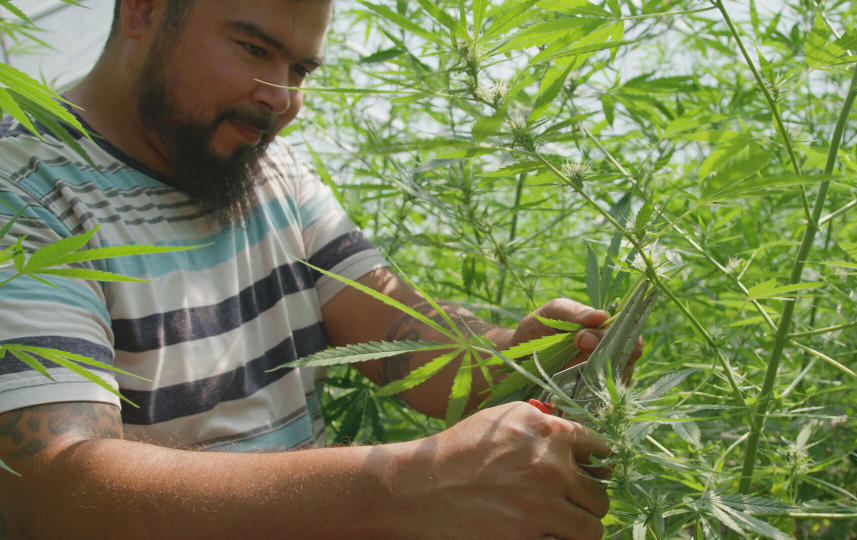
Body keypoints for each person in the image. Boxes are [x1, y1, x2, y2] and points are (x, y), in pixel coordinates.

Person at [0, 0, 642, 537]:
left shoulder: (269, 175)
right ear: (143, 9)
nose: (282, 100)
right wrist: (407, 486)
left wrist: (515, 357)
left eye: (301, 67)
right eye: (254, 50)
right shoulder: (24, 194)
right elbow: (52, 490)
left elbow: (406, 337)